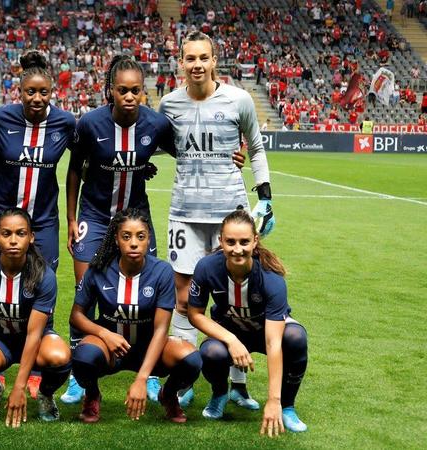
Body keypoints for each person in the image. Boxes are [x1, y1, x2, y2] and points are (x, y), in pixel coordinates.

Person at [159, 31, 274, 409]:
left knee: (236, 298)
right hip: (185, 213)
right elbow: (161, 144)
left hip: (231, 215)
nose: (197, 65)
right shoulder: (168, 104)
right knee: (182, 298)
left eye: (203, 58)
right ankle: (185, 377)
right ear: (181, 63)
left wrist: (266, 196)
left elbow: (255, 147)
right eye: (190, 58)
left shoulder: (238, 100)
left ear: (214, 61)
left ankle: (239, 384)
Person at [62, 54, 175, 404]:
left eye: (136, 91)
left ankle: (151, 372)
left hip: (136, 220)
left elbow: (187, 154)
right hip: (94, 218)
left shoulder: (156, 125)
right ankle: (78, 377)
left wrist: (231, 154)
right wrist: (70, 219)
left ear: (144, 92)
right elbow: (75, 170)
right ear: (109, 90)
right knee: (86, 292)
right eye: (122, 90)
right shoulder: (89, 124)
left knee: (149, 293)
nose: (129, 97)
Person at [0, 51, 75, 398]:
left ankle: (37, 366)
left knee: (43, 286)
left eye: (44, 93)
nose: (36, 99)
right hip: (2, 220)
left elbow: (88, 158)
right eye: (30, 92)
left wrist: (145, 168)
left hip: (45, 221)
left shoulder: (66, 124)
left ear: (52, 92)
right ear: (18, 91)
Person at [70, 209, 202, 423]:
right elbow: (76, 316)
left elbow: (161, 329)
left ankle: (168, 395)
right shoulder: (99, 268)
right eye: (126, 236)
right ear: (116, 239)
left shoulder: (162, 271)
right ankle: (92, 394)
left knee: (192, 359)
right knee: (82, 357)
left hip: (150, 348)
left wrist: (142, 378)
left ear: (148, 239)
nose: (133, 243)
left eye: (140, 236)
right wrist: (105, 334)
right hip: (110, 349)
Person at [188, 209, 308, 434]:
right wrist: (231, 339)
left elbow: (274, 343)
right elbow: (195, 314)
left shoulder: (271, 279)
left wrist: (273, 400)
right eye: (230, 241)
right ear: (221, 241)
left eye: (244, 242)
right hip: (230, 330)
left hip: (266, 331)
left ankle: (287, 407)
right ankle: (221, 393)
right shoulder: (206, 267)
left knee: (296, 338)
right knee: (212, 351)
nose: (237, 249)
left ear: (255, 241)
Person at [0, 208, 71, 425]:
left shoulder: (44, 275)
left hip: (35, 338)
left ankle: (45, 394)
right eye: (6, 233)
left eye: (20, 233)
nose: (13, 240)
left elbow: (34, 334)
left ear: (31, 237)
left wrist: (20, 386)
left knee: (59, 357)